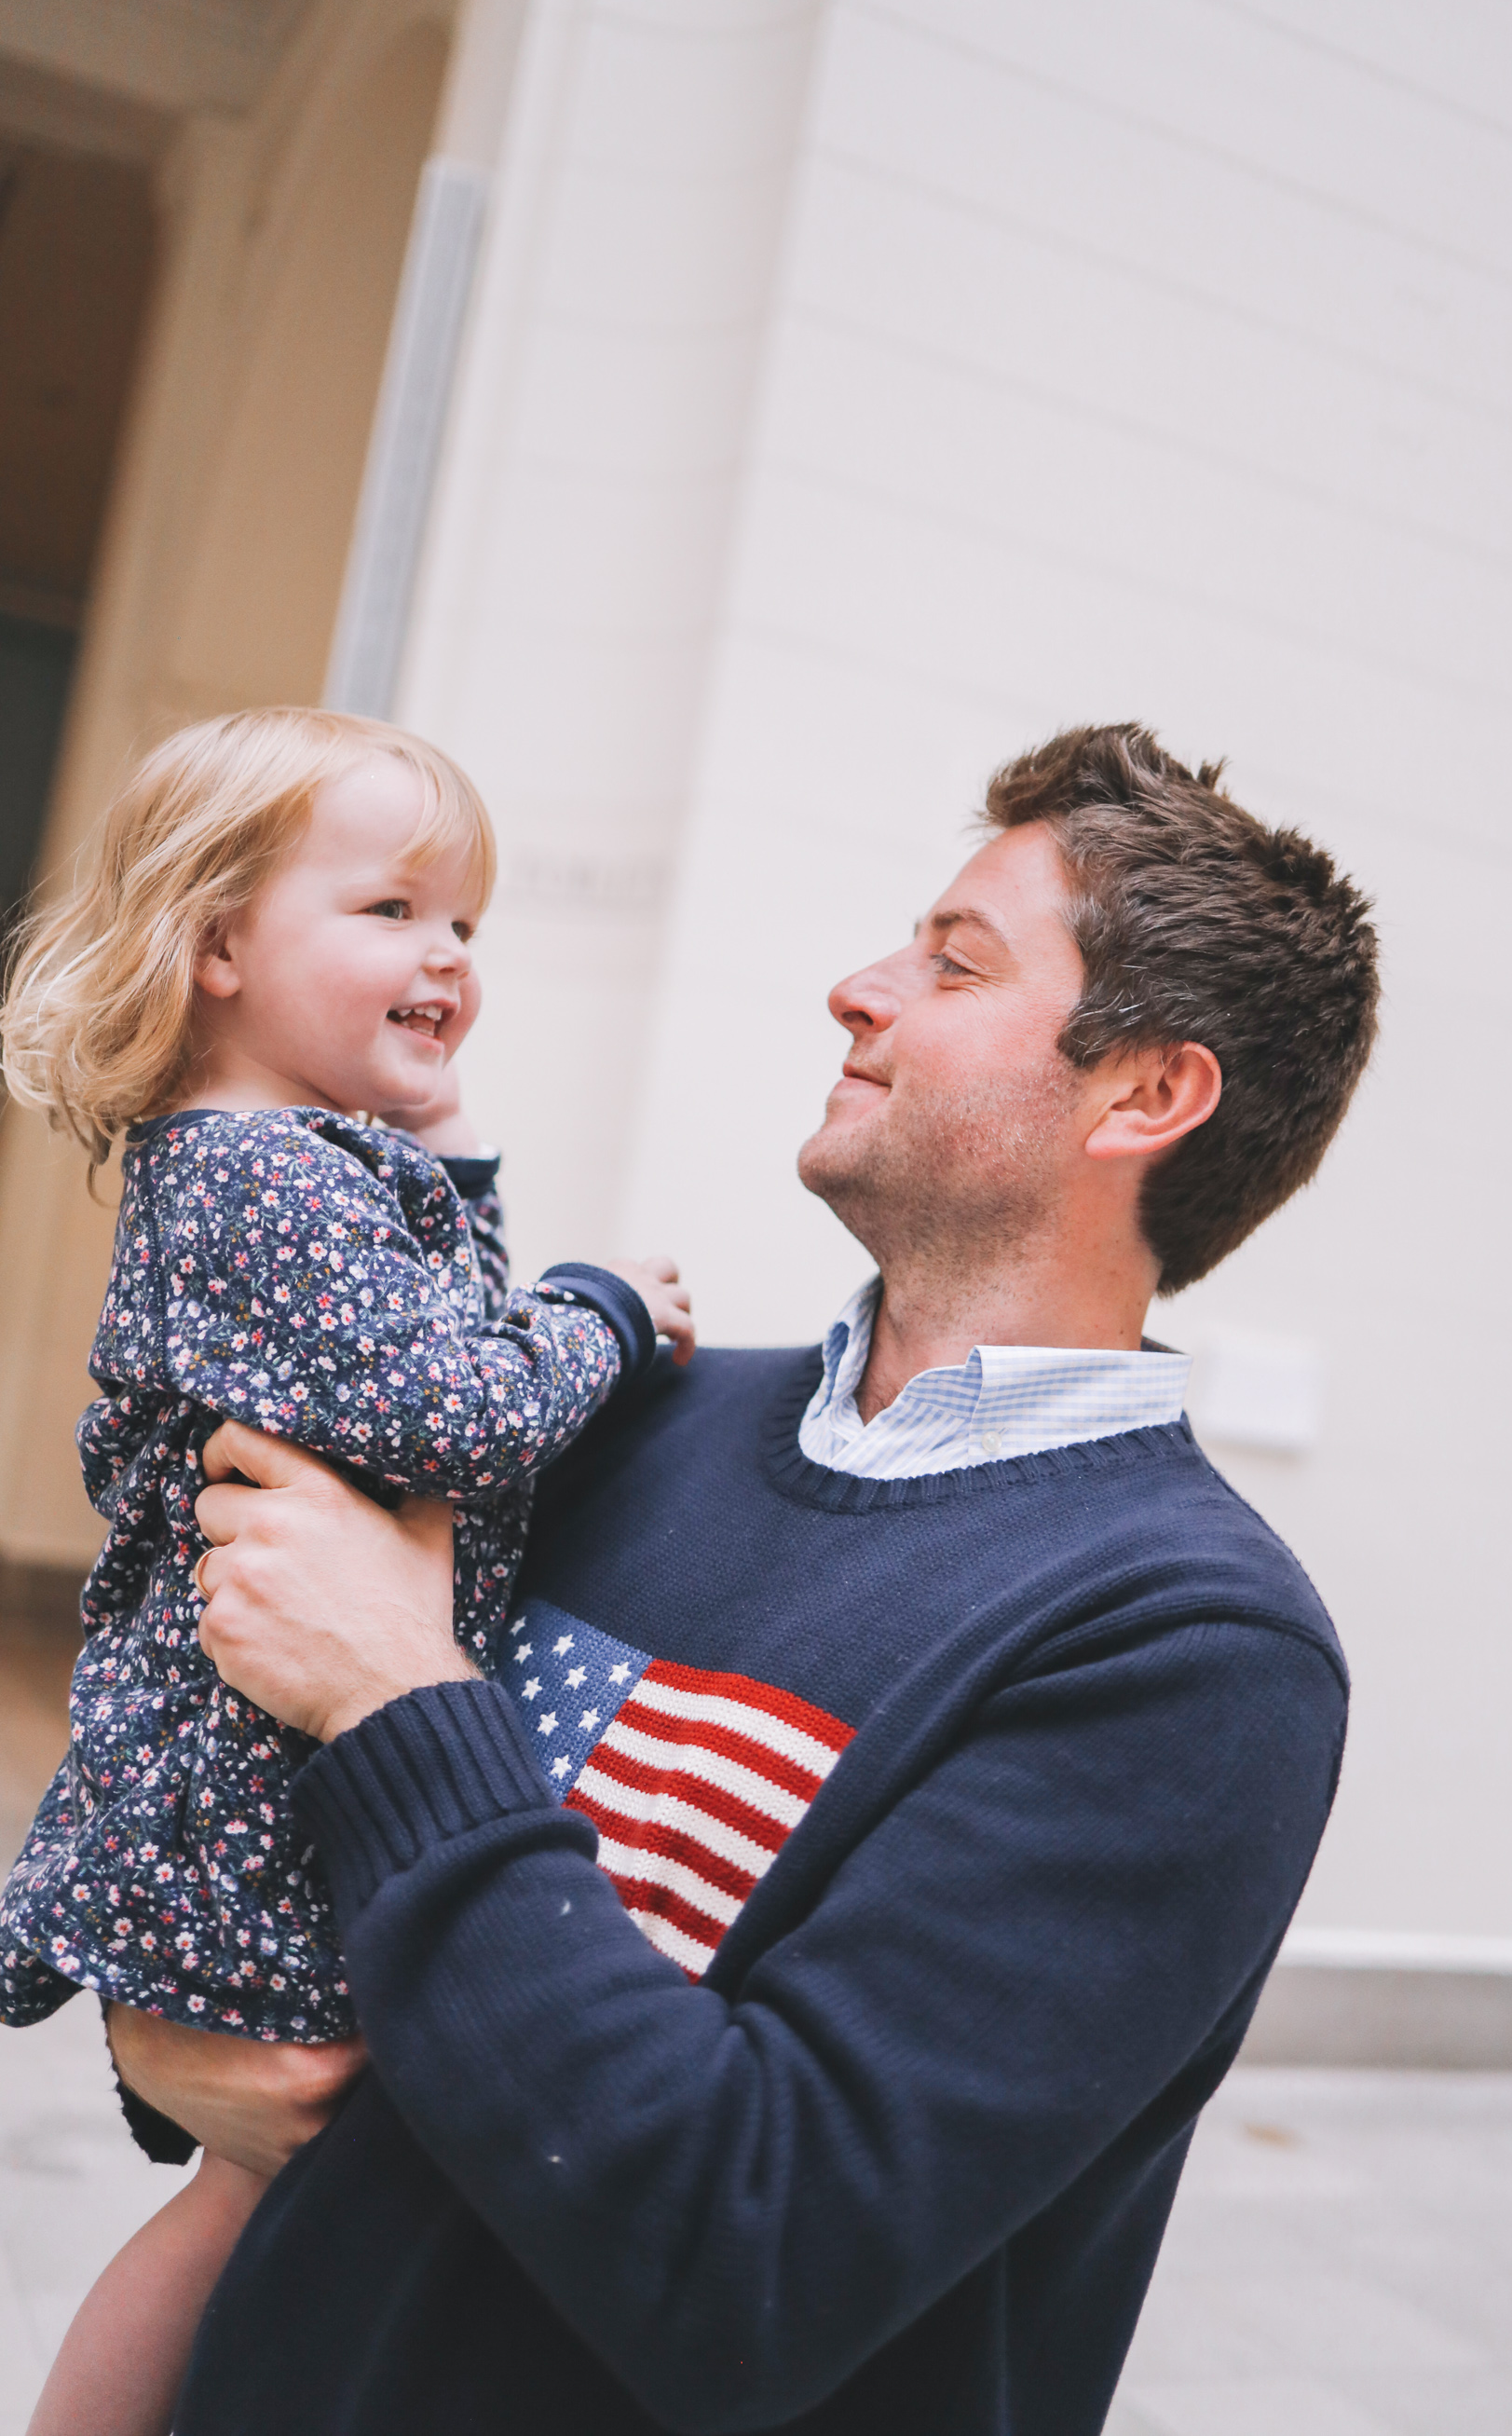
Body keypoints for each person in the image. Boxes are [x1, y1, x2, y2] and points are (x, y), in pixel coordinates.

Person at [107, 723, 1379, 2435]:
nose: (859, 989)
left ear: (1144, 1093)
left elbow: (754, 2256)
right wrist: (160, 2038)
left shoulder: (1192, 1652)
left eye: (952, 961)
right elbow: (282, 1873)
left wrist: (404, 1696)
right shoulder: (632, 1415)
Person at [0, 707, 692, 2436]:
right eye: (391, 911)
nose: (448, 954)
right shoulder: (260, 1183)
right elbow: (461, 1412)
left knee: (278, 2208)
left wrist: (450, 1173)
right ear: (217, 943)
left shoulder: (295, 1171)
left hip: (262, 1762)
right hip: (254, 1781)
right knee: (260, 2194)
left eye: (466, 922)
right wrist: (605, 1307)